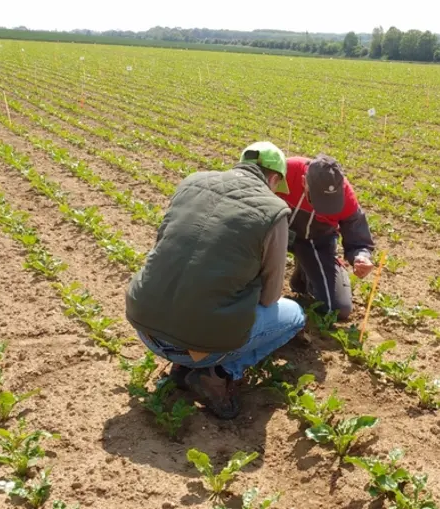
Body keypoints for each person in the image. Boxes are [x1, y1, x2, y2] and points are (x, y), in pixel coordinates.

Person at [125, 142, 306, 420]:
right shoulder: (274, 211)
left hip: (145, 328)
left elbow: (163, 247)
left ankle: (184, 365)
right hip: (203, 345)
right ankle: (217, 372)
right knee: (294, 315)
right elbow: (270, 297)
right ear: (273, 178)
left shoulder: (192, 183)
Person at [279, 153, 375, 321]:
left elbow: (358, 239)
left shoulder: (347, 198)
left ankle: (305, 274)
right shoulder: (285, 171)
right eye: (318, 200)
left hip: (314, 242)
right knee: (248, 288)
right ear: (304, 182)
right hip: (275, 234)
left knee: (336, 308)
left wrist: (361, 256)